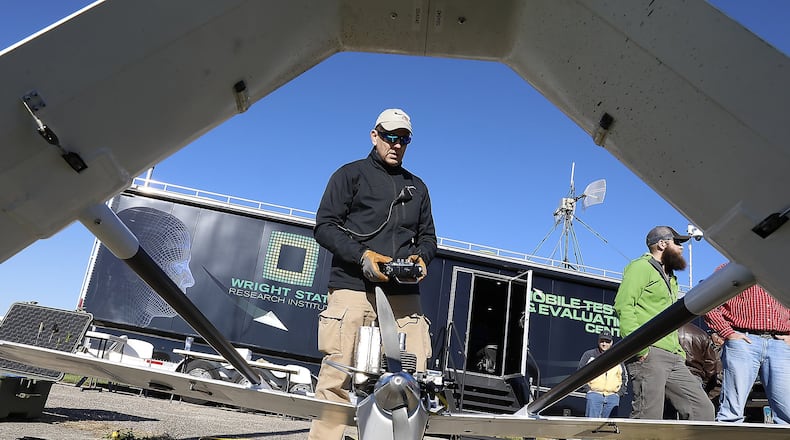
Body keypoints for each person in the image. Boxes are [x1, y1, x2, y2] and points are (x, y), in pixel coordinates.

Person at [308, 108, 437, 440]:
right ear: (374, 135)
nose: (396, 144)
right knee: (338, 376)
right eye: (390, 137)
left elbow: (429, 238)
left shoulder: (417, 188)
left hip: (403, 296)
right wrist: (361, 255)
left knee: (412, 380)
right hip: (353, 287)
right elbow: (324, 227)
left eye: (403, 139)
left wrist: (421, 258)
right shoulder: (349, 175)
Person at [613, 226, 715, 420]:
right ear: (662, 244)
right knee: (648, 418)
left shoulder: (671, 277)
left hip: (674, 356)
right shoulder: (640, 267)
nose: (682, 248)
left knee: (703, 410)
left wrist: (678, 351)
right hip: (649, 353)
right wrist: (639, 350)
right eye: (677, 242)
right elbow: (623, 306)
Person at [704, 274, 790, 424]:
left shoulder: (781, 272)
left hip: (780, 343)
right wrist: (727, 332)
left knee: (787, 412)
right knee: (731, 411)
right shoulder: (733, 270)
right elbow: (706, 298)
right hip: (743, 339)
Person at [578, 330, 627, 418]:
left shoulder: (618, 357)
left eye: (607, 341)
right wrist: (587, 389)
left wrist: (619, 393)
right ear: (598, 341)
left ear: (611, 342)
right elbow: (580, 374)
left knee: (609, 427)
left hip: (612, 396)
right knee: (591, 426)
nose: (604, 344)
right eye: (602, 341)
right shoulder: (589, 355)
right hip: (594, 394)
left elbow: (624, 377)